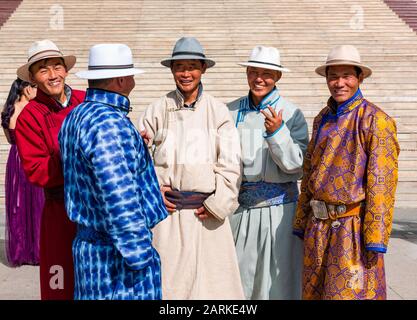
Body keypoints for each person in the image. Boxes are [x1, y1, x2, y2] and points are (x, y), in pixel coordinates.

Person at [59, 43, 167, 300]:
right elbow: (118, 195)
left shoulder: (78, 114)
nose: (132, 80)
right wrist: (140, 255)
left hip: (93, 249)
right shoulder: (108, 122)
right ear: (120, 80)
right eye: (130, 74)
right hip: (116, 257)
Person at [140, 37, 244, 299]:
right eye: (180, 67)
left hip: (206, 216)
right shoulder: (157, 109)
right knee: (169, 289)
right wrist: (153, 191)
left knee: (213, 291)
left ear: (203, 69)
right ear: (172, 70)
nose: (186, 74)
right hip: (169, 217)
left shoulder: (218, 111)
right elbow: (138, 159)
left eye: (192, 67)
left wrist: (217, 203)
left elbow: (230, 163)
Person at [293, 45, 400, 300]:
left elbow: (381, 183)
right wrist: (302, 220)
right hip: (318, 228)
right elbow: (309, 172)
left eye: (346, 76)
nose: (339, 83)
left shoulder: (376, 120)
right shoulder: (322, 118)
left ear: (359, 78)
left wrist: (374, 238)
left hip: (352, 230)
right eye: (333, 76)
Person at [227, 46, 309, 299]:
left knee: (277, 282)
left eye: (267, 73)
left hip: (280, 214)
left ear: (278, 77)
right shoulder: (229, 111)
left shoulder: (292, 113)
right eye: (253, 72)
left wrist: (277, 133)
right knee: (239, 280)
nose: (259, 78)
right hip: (240, 211)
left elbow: (297, 165)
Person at [15, 39, 85, 299]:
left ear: (66, 70)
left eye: (57, 67)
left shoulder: (85, 100)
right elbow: (36, 170)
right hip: (61, 211)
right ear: (33, 78)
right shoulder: (29, 117)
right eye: (43, 70)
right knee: (61, 281)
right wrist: (76, 157)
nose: (53, 75)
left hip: (98, 209)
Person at [1, 78, 44, 267]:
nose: (36, 90)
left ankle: (21, 250)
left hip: (16, 156)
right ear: (24, 88)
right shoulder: (34, 108)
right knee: (37, 203)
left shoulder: (8, 109)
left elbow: (10, 139)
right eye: (33, 86)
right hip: (31, 155)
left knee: (20, 204)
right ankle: (38, 249)